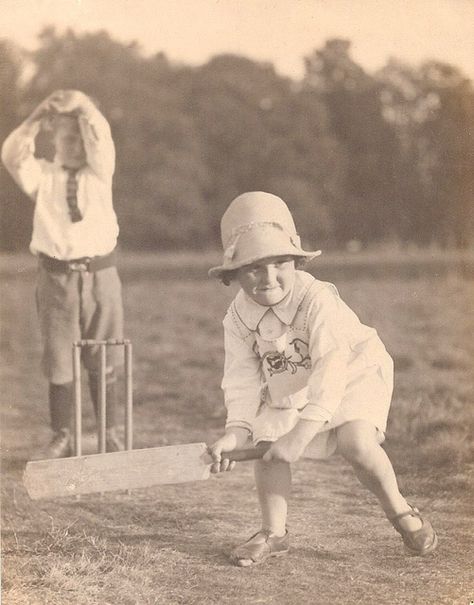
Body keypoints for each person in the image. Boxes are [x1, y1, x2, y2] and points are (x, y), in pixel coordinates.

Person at [208, 191, 438, 566]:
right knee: (268, 445)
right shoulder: (237, 318)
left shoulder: (316, 299)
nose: (269, 278)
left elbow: (331, 367)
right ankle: (274, 532)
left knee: (356, 443)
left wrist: (301, 434)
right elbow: (242, 379)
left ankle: (401, 512)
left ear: (296, 261)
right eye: (253, 267)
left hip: (352, 372)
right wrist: (236, 431)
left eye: (280, 262)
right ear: (233, 273)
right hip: (293, 382)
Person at [2, 89, 124, 458]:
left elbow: (99, 136)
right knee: (59, 357)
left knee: (105, 354)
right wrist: (38, 116)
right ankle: (63, 434)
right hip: (56, 279)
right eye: (68, 137)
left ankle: (110, 432)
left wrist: (82, 106)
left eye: (82, 138)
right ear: (53, 137)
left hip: (101, 277)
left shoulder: (100, 172)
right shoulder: (42, 177)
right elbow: (11, 154)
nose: (77, 146)